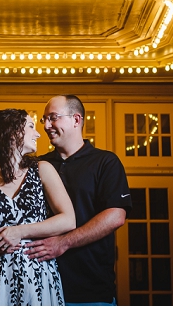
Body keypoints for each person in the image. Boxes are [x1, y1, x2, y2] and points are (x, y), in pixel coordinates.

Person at [0, 108, 76, 305]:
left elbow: (68, 220)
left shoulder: (42, 170)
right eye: (31, 126)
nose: (39, 133)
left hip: (38, 276)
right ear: (12, 132)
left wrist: (18, 232)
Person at [25, 95, 132, 306]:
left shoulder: (105, 162)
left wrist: (63, 243)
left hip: (90, 292)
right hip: (39, 288)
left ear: (76, 120)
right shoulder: (36, 165)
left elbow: (116, 216)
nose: (46, 126)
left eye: (53, 118)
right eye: (44, 119)